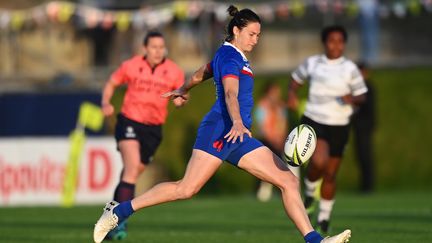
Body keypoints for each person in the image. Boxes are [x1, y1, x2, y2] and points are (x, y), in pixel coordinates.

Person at [94, 6, 351, 243]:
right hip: (222, 128)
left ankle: (315, 240)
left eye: (258, 35)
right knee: (186, 188)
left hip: (237, 135)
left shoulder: (229, 53)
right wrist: (238, 122)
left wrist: (183, 87)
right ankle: (119, 211)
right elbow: (230, 93)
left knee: (288, 181)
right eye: (251, 34)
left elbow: (201, 73)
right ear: (236, 30)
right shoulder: (230, 57)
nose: (255, 39)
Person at [100, 30, 186, 240]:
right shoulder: (131, 65)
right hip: (129, 122)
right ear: (145, 48)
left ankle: (110, 216)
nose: (158, 51)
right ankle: (119, 224)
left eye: (161, 47)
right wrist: (106, 102)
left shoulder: (174, 71)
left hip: (153, 130)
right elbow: (112, 83)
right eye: (154, 47)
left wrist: (181, 100)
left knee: (132, 174)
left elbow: (182, 93)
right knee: (131, 170)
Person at [287, 25, 368, 234]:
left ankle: (323, 217)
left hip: (340, 124)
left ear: (344, 44)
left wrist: (352, 98)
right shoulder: (313, 63)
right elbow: (296, 79)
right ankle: (310, 192)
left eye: (340, 41)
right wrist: (292, 95)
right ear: (325, 42)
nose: (336, 45)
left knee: (331, 174)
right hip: (315, 119)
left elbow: (362, 95)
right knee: (318, 161)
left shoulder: (350, 68)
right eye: (332, 40)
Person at [254, 81, 288, 202]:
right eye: (274, 92)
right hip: (266, 140)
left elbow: (283, 123)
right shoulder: (262, 105)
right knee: (264, 165)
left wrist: (282, 138)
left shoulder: (281, 106)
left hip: (279, 140)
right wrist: (272, 139)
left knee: (281, 165)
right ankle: (263, 190)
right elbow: (262, 125)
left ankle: (281, 189)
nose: (277, 94)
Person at [352, 62, 376, 193]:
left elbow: (367, 108)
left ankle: (368, 185)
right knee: (360, 155)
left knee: (366, 155)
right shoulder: (359, 88)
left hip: (365, 127)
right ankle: (364, 185)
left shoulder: (367, 88)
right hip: (358, 127)